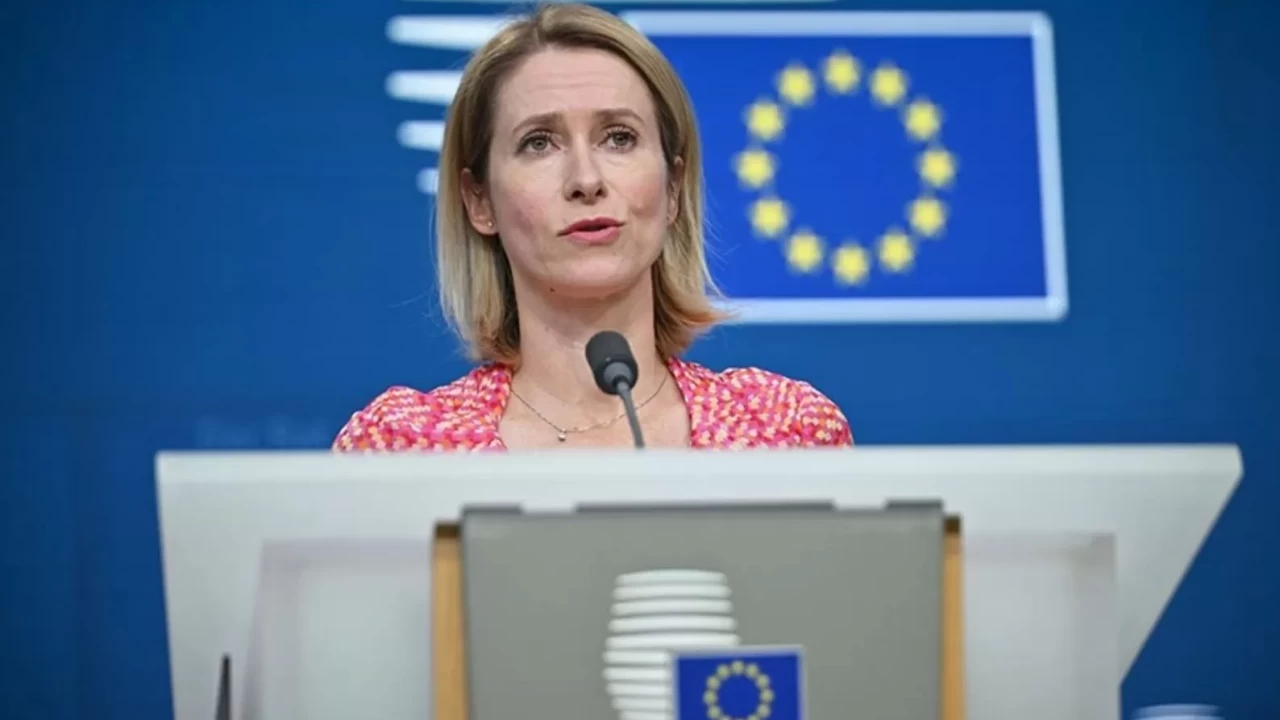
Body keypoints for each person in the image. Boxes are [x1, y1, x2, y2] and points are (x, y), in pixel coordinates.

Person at [333, 2, 852, 452]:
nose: (586, 180)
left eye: (618, 138)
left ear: (673, 187)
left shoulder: (786, 430)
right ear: (479, 200)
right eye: (539, 143)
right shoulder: (402, 444)